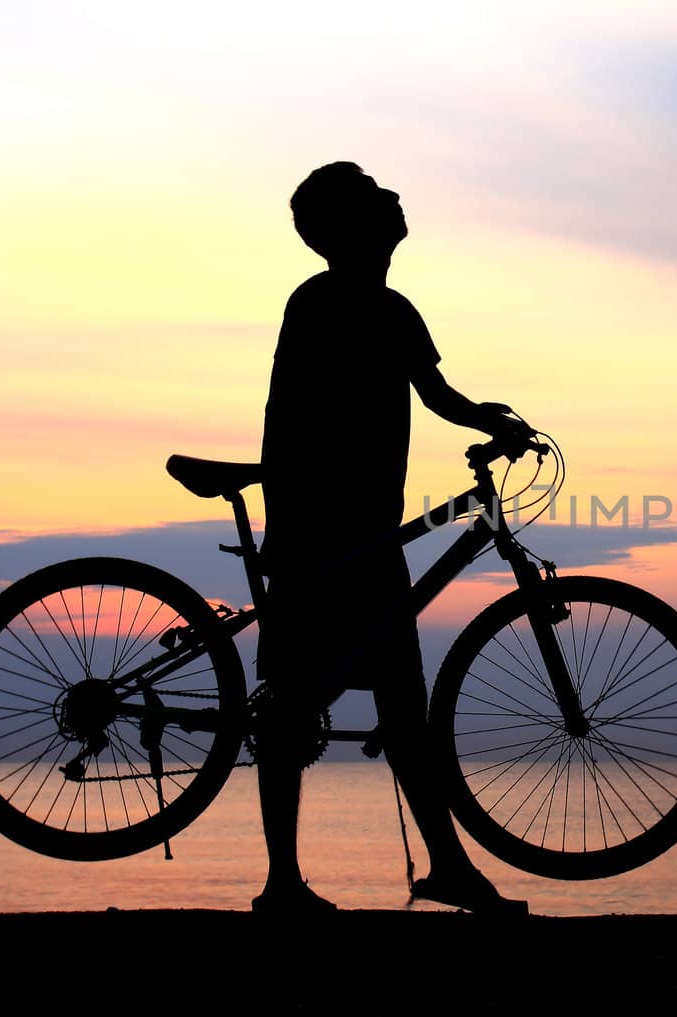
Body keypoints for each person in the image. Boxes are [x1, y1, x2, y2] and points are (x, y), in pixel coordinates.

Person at [253, 161, 530, 916]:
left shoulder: (394, 308)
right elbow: (287, 417)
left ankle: (445, 866)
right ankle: (285, 882)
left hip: (368, 535)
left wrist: (490, 421)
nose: (395, 200)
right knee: (292, 708)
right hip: (325, 534)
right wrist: (293, 524)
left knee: (401, 707)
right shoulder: (318, 304)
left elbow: (436, 393)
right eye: (376, 197)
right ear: (347, 227)